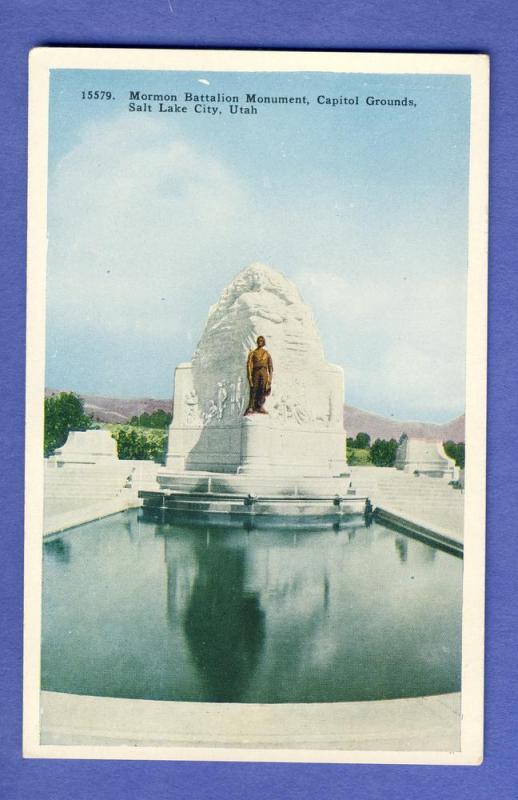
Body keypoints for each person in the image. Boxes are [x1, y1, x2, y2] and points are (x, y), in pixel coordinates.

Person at [244, 336, 273, 415]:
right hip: (255, 372)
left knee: (262, 389)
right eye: (259, 340)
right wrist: (249, 376)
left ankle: (260, 406)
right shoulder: (253, 353)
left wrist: (270, 379)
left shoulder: (267, 354)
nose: (260, 342)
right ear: (257, 342)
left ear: (263, 342)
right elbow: (249, 365)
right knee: (254, 388)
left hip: (264, 372)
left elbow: (270, 367)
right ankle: (251, 406)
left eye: (261, 341)